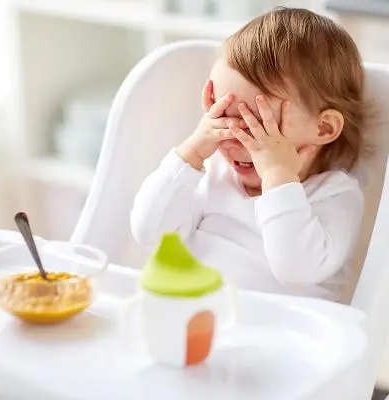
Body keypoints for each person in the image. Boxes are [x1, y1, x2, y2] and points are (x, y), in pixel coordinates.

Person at [130, 8, 366, 302]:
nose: (234, 138)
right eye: (222, 117)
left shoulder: (335, 195)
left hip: (278, 326)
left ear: (324, 127)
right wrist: (191, 153)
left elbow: (295, 269)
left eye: (258, 125)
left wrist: (278, 177)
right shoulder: (214, 173)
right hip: (196, 312)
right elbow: (150, 233)